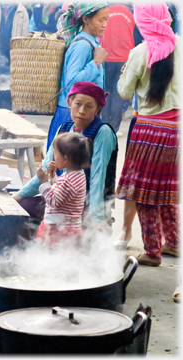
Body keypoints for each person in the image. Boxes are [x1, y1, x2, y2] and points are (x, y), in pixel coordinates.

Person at [116, 3, 180, 267]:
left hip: (150, 130)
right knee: (167, 191)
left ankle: (152, 251)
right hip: (177, 131)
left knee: (143, 193)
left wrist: (124, 75)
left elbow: (123, 92)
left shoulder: (141, 52)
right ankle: (175, 243)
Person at [13, 81, 117, 232]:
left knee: (82, 235)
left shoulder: (103, 132)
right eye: (78, 104)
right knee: (19, 209)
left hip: (89, 202)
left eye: (89, 106)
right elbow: (47, 167)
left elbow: (98, 177)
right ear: (69, 103)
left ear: (97, 110)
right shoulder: (64, 128)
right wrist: (21, 195)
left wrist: (96, 218)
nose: (81, 111)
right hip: (62, 197)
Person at [46, 2, 109, 151]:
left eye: (107, 20)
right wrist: (96, 62)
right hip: (71, 115)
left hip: (80, 113)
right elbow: (72, 82)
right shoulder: (82, 45)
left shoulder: (91, 43)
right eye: (100, 20)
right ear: (86, 19)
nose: (104, 24)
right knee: (66, 166)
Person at [35, 132, 91, 247]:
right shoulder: (76, 174)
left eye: (55, 154)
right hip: (68, 227)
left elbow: (54, 201)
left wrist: (44, 182)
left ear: (65, 158)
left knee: (52, 259)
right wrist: (53, 174)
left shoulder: (69, 180)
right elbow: (61, 192)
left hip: (59, 231)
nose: (54, 157)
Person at [99, 3, 142, 133]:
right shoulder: (130, 12)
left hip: (106, 56)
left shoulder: (105, 10)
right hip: (126, 58)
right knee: (118, 94)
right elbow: (138, 35)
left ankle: (104, 125)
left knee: (106, 91)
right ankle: (114, 128)